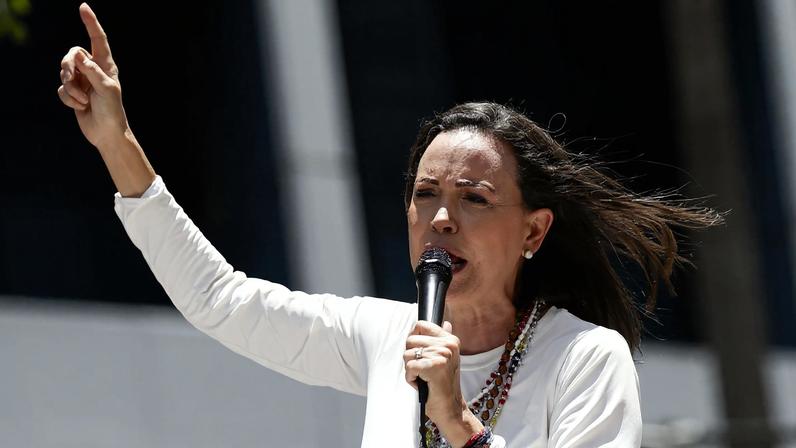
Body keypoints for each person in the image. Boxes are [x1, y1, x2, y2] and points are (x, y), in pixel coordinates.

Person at [58, 4, 721, 447]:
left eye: (474, 200)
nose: (440, 219)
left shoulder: (584, 358)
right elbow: (221, 300)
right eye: (425, 194)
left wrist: (458, 421)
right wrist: (118, 144)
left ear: (534, 231)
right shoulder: (384, 337)